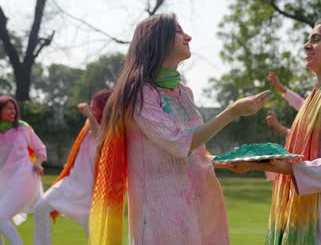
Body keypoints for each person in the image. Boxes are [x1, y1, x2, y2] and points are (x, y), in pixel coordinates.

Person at [88, 13, 270, 245]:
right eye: (178, 31)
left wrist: (223, 161)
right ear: (158, 40)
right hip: (160, 216)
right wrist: (231, 112)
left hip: (200, 207)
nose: (189, 37)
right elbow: (178, 143)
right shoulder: (140, 94)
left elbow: (193, 151)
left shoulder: (184, 92)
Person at [235, 16, 321, 244]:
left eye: (315, 39)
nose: (305, 45)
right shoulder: (320, 96)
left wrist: (288, 167)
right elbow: (304, 153)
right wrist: (257, 162)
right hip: (307, 223)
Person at [33, 89, 112, 245]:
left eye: (94, 107)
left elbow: (100, 142)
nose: (91, 109)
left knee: (95, 236)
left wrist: (90, 116)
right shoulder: (88, 125)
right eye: (91, 106)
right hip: (70, 183)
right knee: (40, 208)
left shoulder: (111, 131)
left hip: (91, 194)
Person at [0, 96, 46, 245]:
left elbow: (40, 149)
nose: (13, 111)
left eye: (14, 108)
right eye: (9, 108)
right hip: (4, 182)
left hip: (25, 177)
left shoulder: (22, 128)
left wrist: (38, 163)